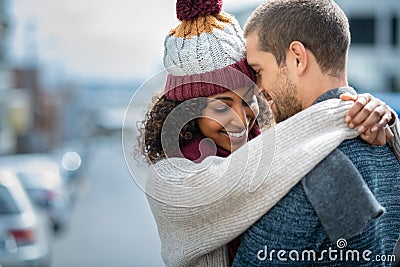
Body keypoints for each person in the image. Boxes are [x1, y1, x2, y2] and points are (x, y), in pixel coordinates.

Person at [138, 0, 400, 266]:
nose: (241, 119)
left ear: (298, 58)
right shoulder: (169, 179)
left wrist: (369, 113)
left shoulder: (288, 157)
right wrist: (347, 111)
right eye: (222, 105)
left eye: (249, 95)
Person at [232, 0, 400, 266]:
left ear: (297, 57)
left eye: (258, 71)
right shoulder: (388, 142)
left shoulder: (301, 166)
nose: (257, 88)